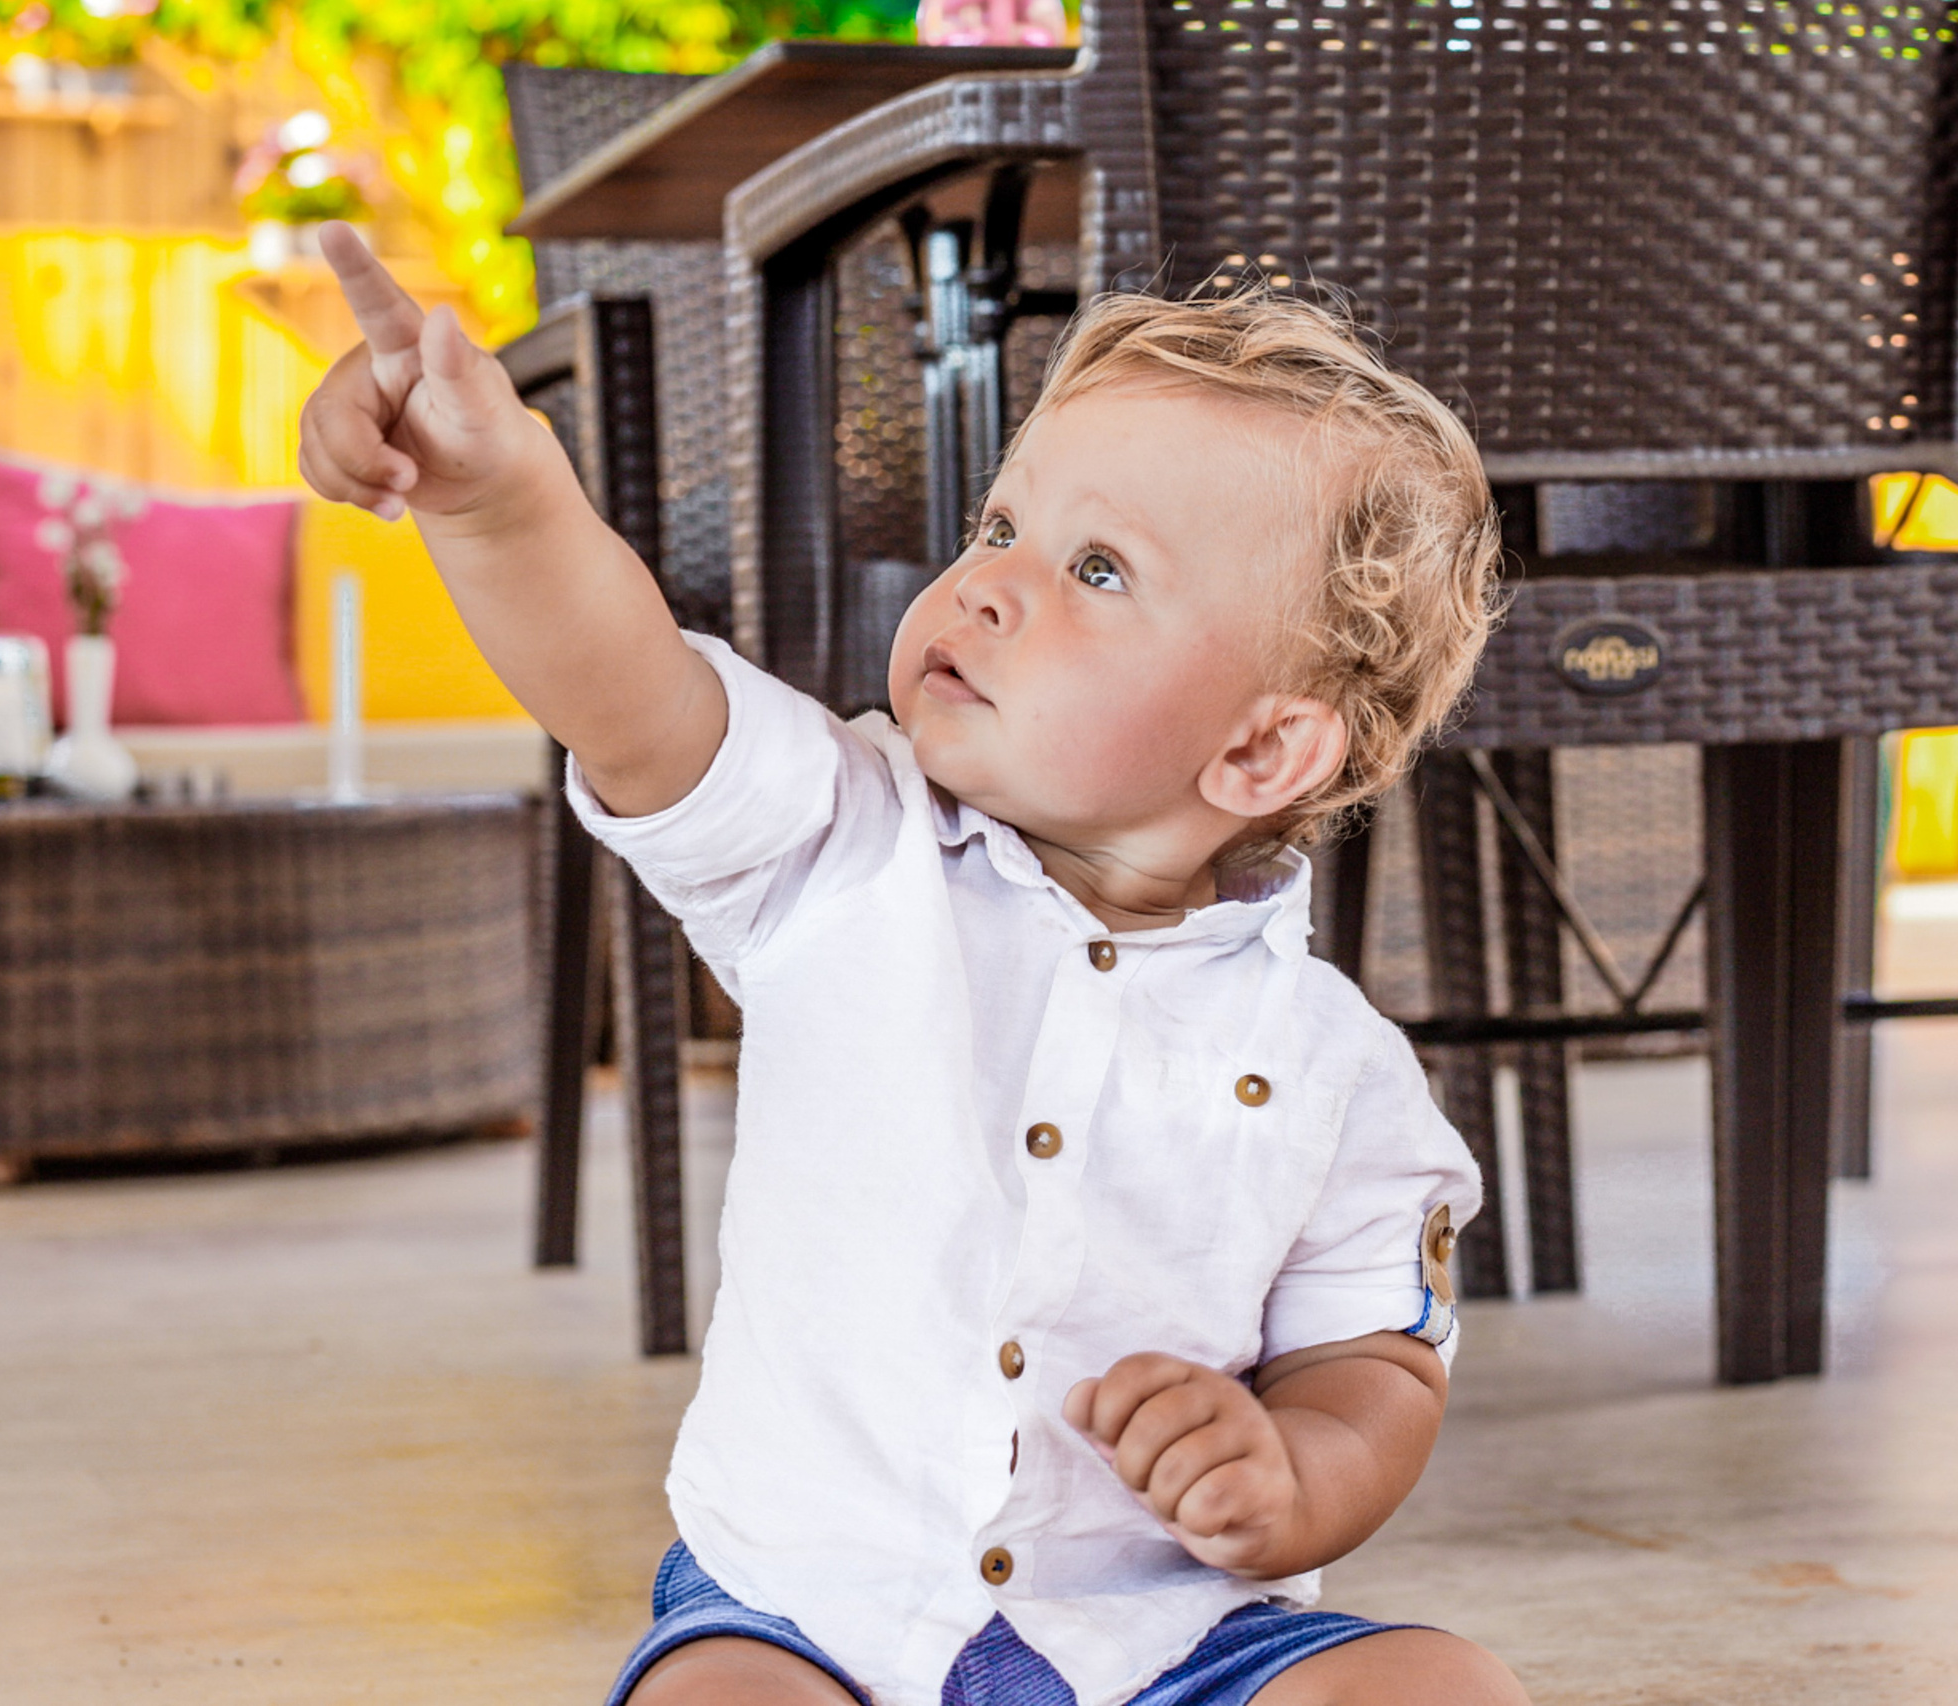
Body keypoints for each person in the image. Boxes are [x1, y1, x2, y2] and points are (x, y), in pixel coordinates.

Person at [297, 220, 1532, 1706]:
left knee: (1440, 1684)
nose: (989, 585)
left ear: (1264, 748)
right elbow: (631, 697)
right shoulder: (840, 844)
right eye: (999, 527)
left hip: (1162, 1639)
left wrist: (1289, 1471)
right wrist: (500, 503)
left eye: (1097, 568)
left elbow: (1375, 1368)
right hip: (808, 1614)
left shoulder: (1337, 1072)